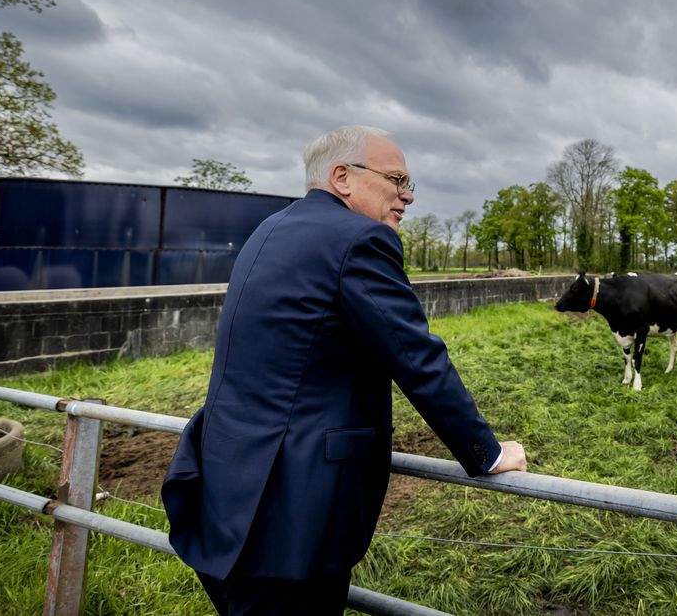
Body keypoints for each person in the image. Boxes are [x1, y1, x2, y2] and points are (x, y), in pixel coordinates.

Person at [161, 125, 528, 615]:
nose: (408, 196)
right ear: (342, 177)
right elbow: (417, 356)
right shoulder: (360, 239)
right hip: (292, 510)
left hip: (226, 489)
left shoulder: (268, 230)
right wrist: (484, 453)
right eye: (397, 179)